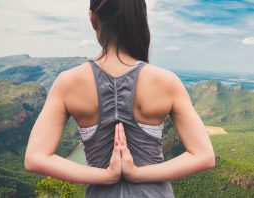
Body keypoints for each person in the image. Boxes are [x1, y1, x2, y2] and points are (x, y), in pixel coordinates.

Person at [24, 0, 215, 197]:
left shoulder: (68, 82)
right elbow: (204, 156)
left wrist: (106, 176)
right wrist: (137, 174)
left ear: (93, 19)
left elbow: (35, 158)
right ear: (140, 20)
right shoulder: (166, 81)